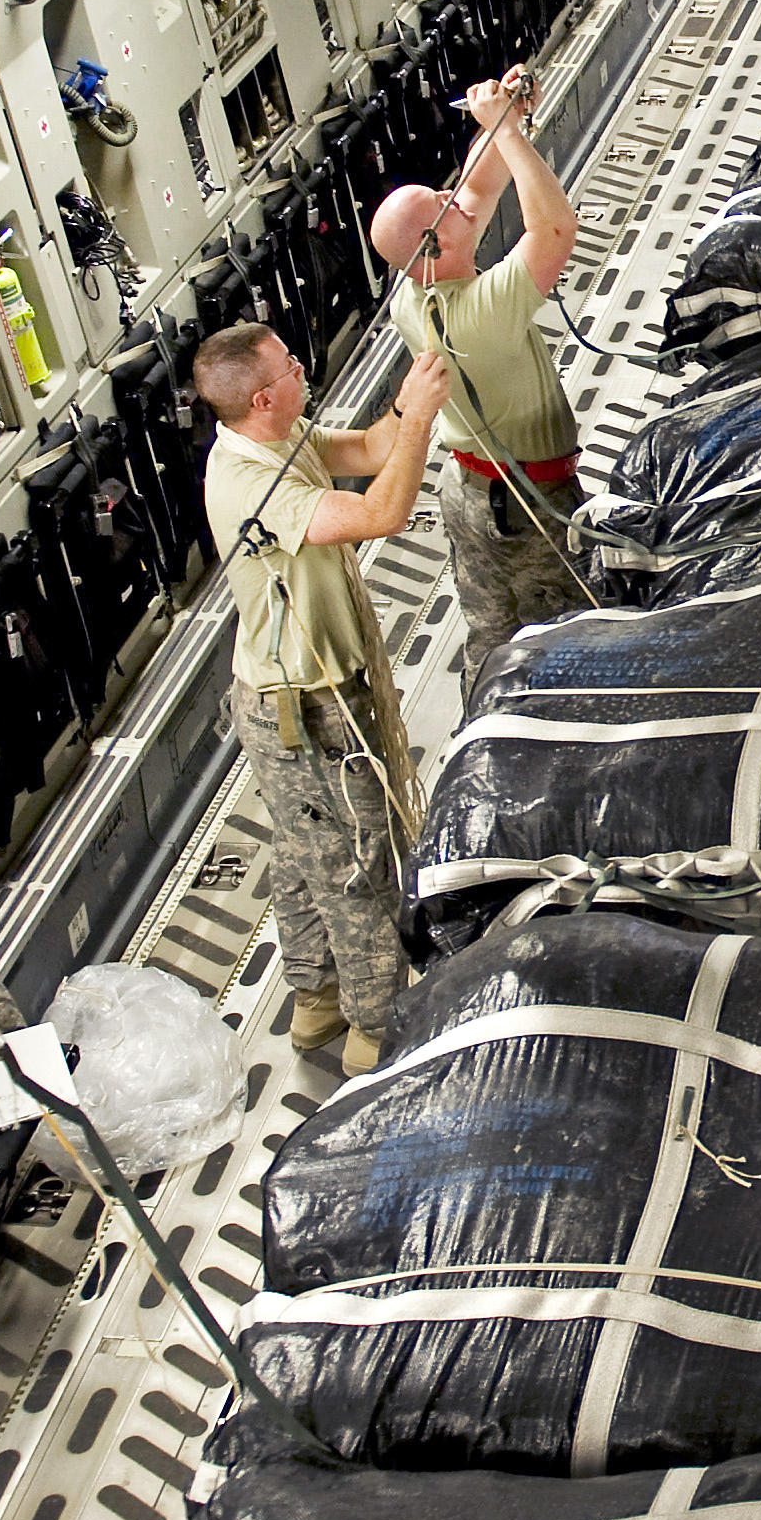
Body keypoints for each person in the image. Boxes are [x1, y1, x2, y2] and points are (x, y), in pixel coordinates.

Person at [195, 317, 455, 1072]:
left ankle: (316, 999)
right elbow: (380, 513)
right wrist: (424, 421)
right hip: (305, 711)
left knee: (304, 849)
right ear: (264, 398)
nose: (304, 371)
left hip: (298, 698)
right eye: (292, 368)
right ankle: (375, 1030)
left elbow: (370, 450)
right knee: (356, 862)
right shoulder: (248, 480)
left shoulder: (281, 436)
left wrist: (409, 403)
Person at [376, 69, 594, 706]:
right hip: (524, 501)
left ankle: (481, 725)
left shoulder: (414, 296)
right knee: (566, 623)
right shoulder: (479, 312)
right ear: (436, 240)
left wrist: (506, 117)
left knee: (489, 628)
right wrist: (509, 134)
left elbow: (476, 184)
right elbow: (554, 229)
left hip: (468, 489)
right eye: (443, 206)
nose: (455, 197)